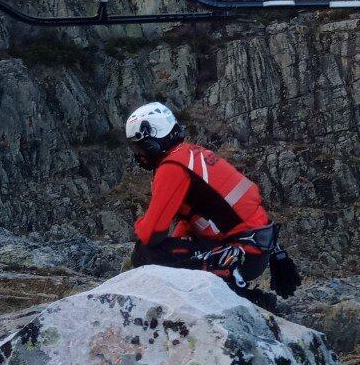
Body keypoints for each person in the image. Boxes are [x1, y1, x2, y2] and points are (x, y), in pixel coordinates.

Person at [125, 101, 301, 302]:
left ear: (151, 141)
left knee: (145, 253)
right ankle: (233, 288)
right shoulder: (191, 154)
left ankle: (244, 297)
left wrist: (141, 226)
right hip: (254, 250)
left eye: (139, 146)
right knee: (165, 249)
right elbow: (203, 216)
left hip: (239, 256)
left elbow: (152, 234)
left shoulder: (172, 167)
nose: (139, 154)